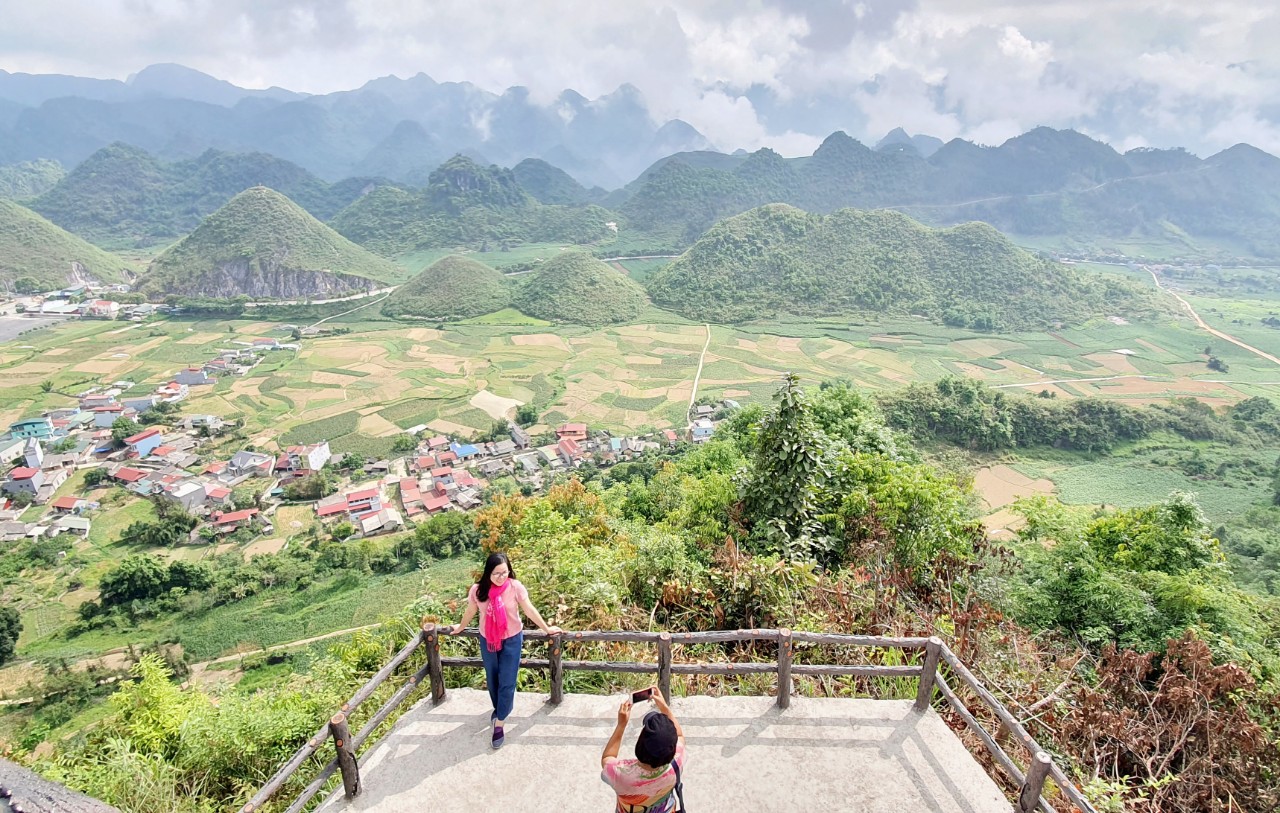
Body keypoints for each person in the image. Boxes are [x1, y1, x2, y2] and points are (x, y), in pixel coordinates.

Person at [449, 552, 560, 749]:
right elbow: (470, 612)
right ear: (487, 573)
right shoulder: (478, 591)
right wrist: (460, 627)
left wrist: (547, 629)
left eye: (504, 572)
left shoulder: (514, 587)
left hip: (511, 640)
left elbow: (529, 609)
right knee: (493, 679)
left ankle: (499, 722)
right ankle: (499, 709)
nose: (501, 577)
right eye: (496, 574)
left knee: (507, 681)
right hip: (488, 640)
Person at [601, 687, 686, 813]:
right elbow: (680, 736)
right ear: (672, 750)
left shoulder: (620, 773)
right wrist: (664, 707)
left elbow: (607, 758)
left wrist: (621, 725)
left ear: (639, 744)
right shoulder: (677, 762)